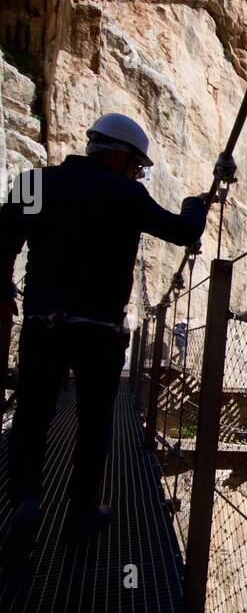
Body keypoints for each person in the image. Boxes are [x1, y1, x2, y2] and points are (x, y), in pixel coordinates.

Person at [0, 113, 208, 548]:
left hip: (44, 324)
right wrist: (197, 204)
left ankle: (25, 500)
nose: (137, 174)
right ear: (118, 157)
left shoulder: (36, 184)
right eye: (136, 167)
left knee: (32, 415)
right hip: (99, 333)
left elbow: (3, 240)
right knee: (94, 424)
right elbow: (183, 231)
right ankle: (80, 513)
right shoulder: (125, 194)